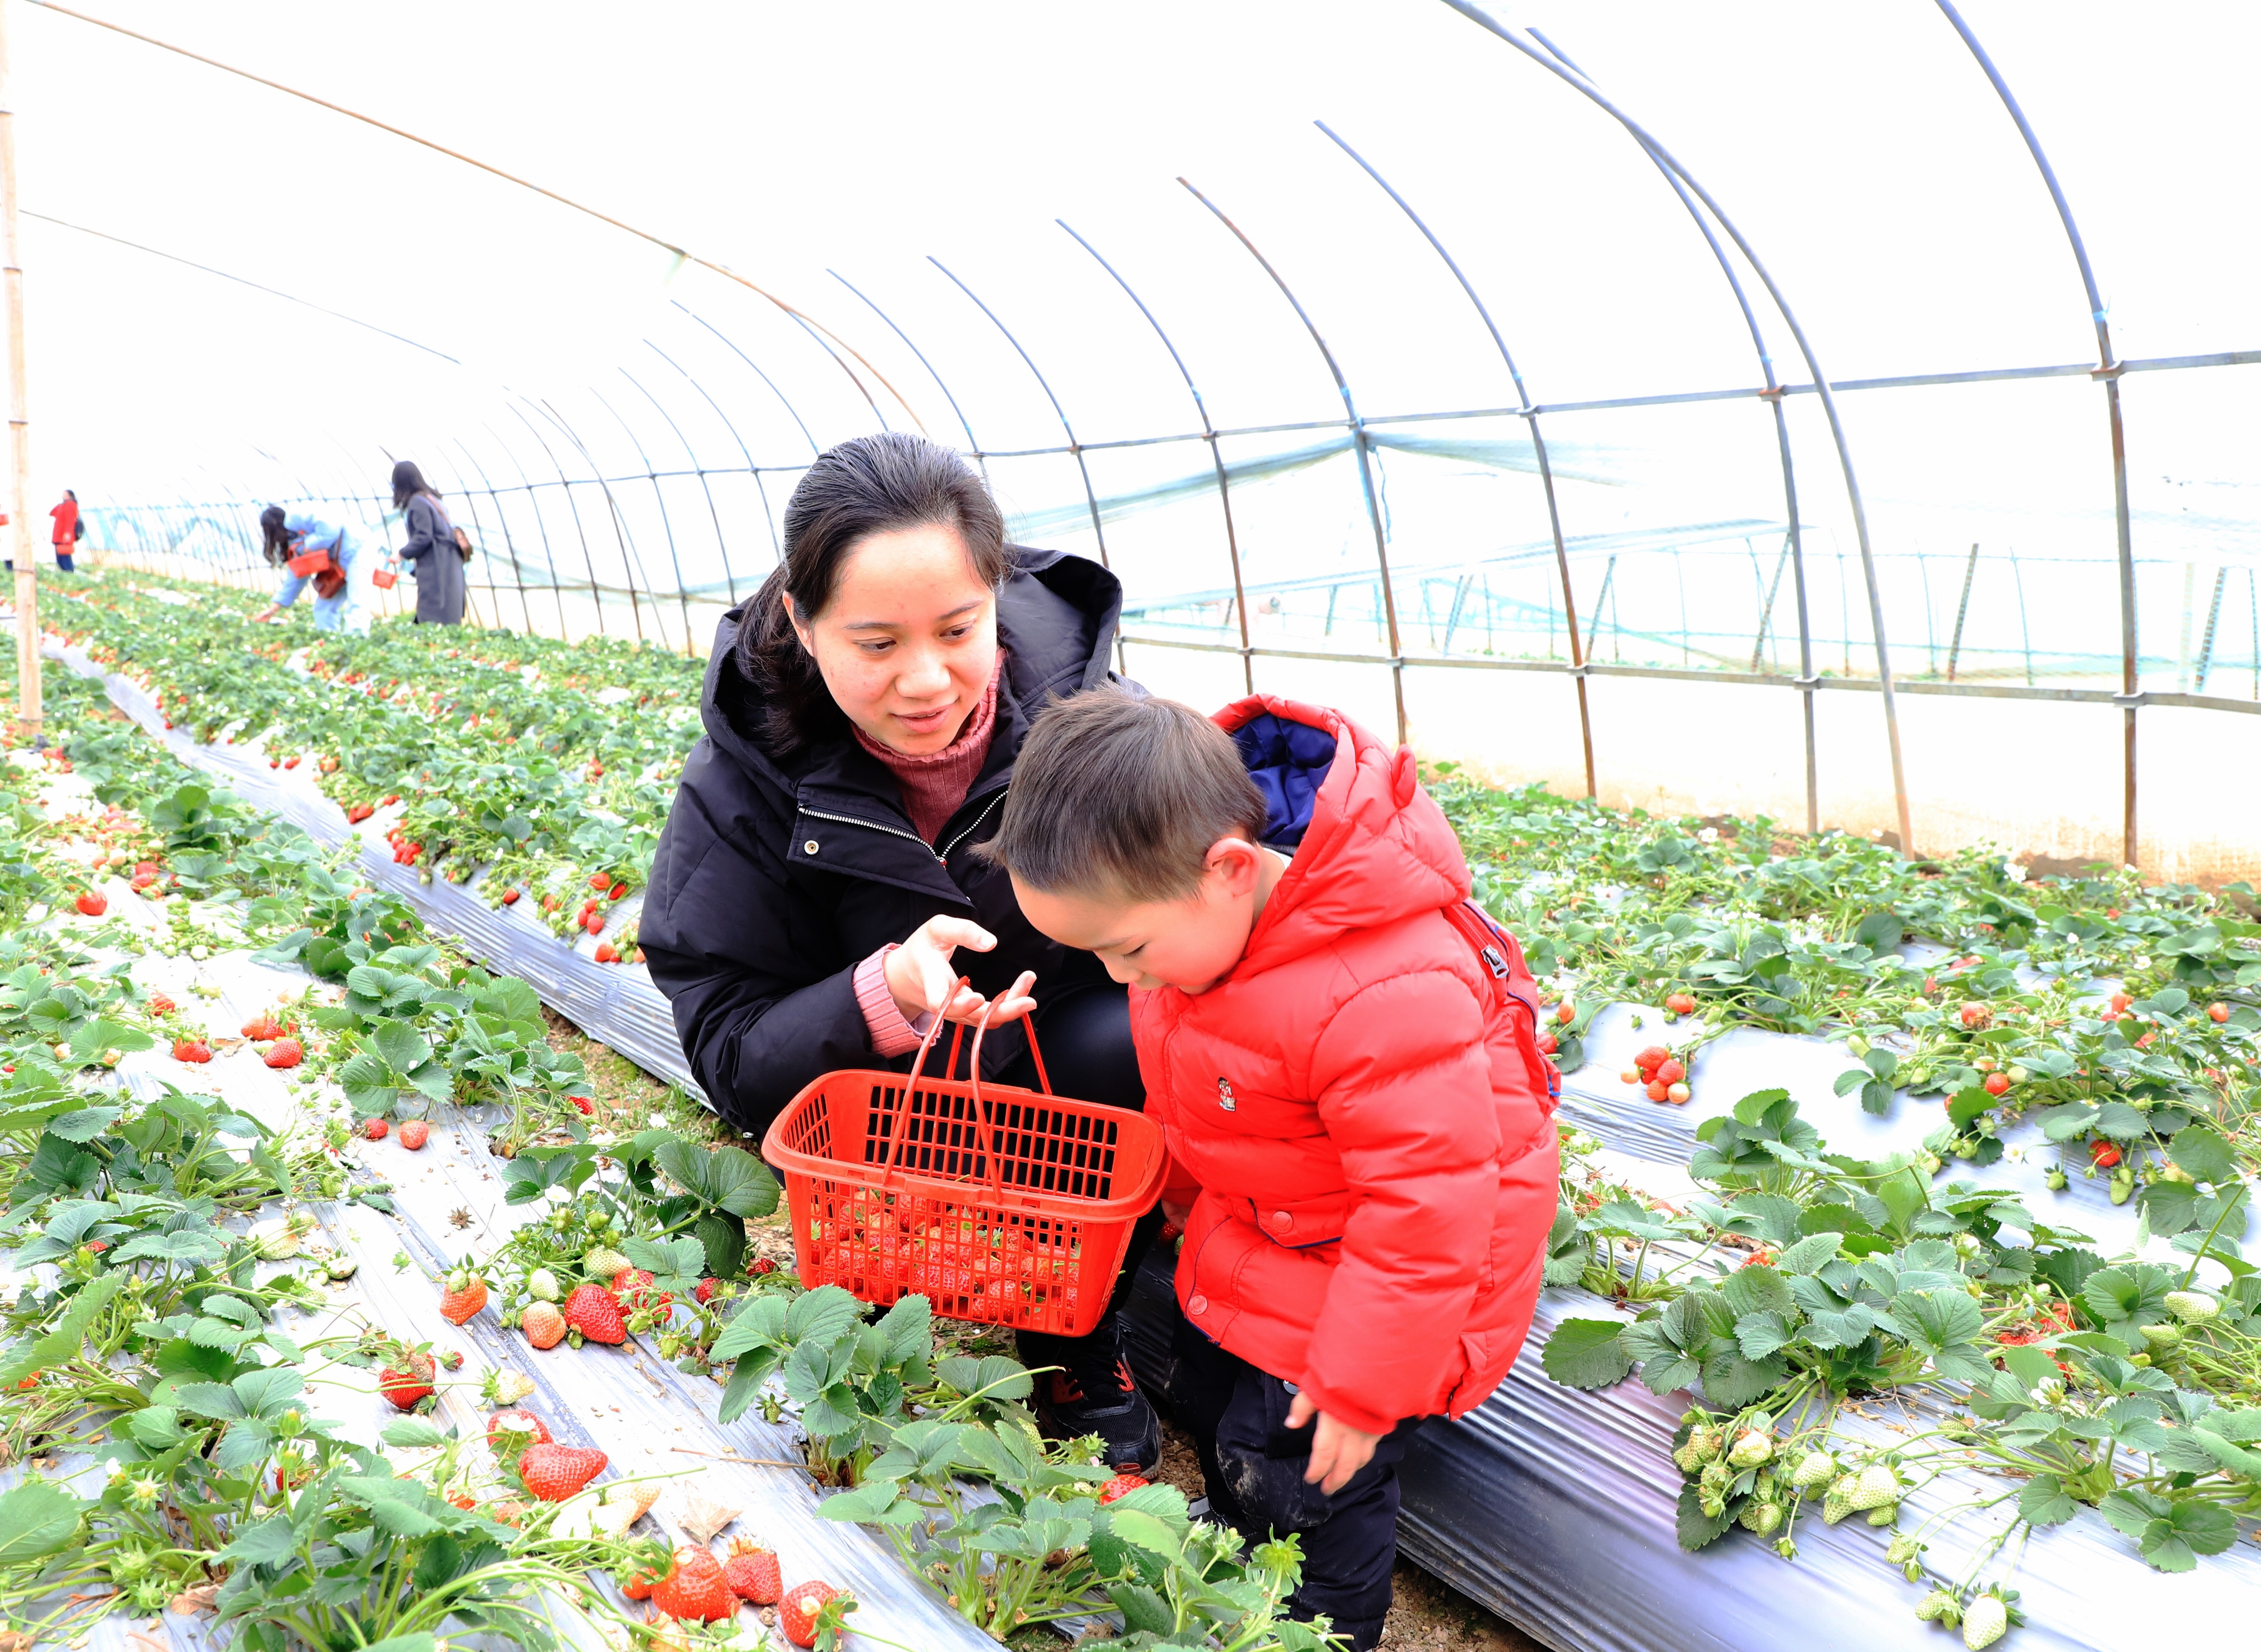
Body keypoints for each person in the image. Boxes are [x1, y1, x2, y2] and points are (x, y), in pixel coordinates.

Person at [979, 689, 1560, 1652]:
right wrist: (1169, 1200)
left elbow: (1428, 1211)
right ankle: (1245, 1533)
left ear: (1229, 868)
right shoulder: (1201, 941)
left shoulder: (1384, 989)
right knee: (1207, 1390)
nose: (1122, 980)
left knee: (1307, 1469)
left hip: (1400, 1269)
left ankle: (1321, 1626)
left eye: (1127, 950)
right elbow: (1199, 1097)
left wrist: (1362, 1383)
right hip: (1282, 1218)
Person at [640, 431, 1164, 1473]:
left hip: (1049, 1077)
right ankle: (869, 1326)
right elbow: (731, 1049)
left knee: (1134, 1034)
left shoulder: (1093, 723)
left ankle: (1072, 1336)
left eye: (957, 628)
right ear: (802, 619)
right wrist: (881, 990)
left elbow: (1206, 912)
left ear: (995, 591)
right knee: (873, 1288)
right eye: (875, 643)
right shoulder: (740, 780)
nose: (925, 680)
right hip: (877, 1102)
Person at [249, 506, 369, 633]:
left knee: (357, 601)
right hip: (338, 566)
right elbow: (298, 575)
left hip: (358, 550)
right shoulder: (293, 540)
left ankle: (356, 640)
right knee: (324, 609)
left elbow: (331, 528)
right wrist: (274, 608)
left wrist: (310, 545)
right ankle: (331, 643)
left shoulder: (294, 519)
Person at [390, 460, 466, 625]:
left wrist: (402, 554)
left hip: (437, 564)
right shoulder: (431, 498)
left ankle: (432, 639)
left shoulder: (418, 503)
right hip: (449, 560)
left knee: (434, 609)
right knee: (445, 608)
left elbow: (424, 536)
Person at [48, 490, 77, 573]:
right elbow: (52, 513)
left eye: (65, 495)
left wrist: (68, 533)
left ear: (70, 496)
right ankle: (64, 572)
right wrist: (60, 506)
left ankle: (69, 572)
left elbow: (71, 521)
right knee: (60, 557)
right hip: (59, 535)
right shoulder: (62, 506)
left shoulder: (71, 505)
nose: (63, 496)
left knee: (65, 556)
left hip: (65, 536)